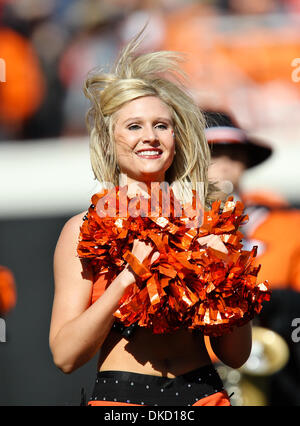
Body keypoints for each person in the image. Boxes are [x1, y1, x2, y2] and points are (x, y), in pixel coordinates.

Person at [49, 33, 256, 407]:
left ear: (176, 137)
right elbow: (65, 356)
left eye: (162, 125)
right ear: (109, 141)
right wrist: (127, 279)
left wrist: (229, 277)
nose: (151, 137)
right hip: (121, 402)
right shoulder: (82, 228)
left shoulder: (207, 221)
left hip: (203, 396)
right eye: (134, 126)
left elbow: (236, 355)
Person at [204, 110, 300, 406]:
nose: (224, 166)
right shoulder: (171, 226)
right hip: (197, 369)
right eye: (212, 155)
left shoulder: (287, 222)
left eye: (234, 155)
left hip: (275, 366)